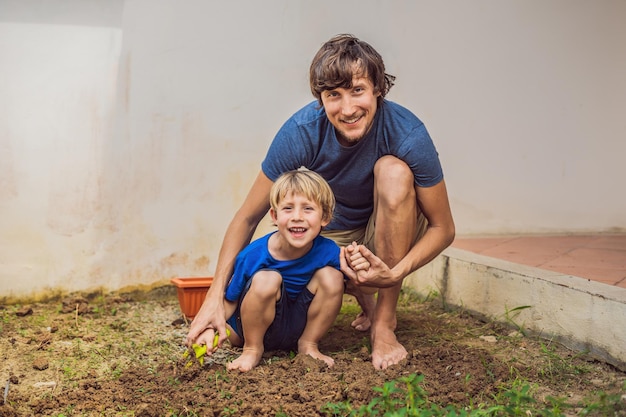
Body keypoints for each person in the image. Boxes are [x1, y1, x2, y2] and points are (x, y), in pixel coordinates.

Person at [186, 34, 455, 370]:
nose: (347, 109)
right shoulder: (302, 131)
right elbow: (246, 218)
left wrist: (394, 273)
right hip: (329, 234)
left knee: (393, 171)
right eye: (333, 95)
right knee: (276, 253)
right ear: (320, 98)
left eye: (357, 90)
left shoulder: (408, 134)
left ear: (378, 89)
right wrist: (213, 301)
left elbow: (443, 227)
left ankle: (384, 325)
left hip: (386, 228)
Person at [211, 170, 364, 372]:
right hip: (254, 329)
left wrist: (372, 314)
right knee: (267, 279)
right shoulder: (253, 255)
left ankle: (308, 345)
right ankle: (252, 350)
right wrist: (211, 329)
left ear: (324, 217)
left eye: (308, 209)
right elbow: (230, 300)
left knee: (333, 276)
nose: (297, 217)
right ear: (274, 216)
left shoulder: (330, 252)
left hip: (296, 329)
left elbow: (356, 285)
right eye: (288, 209)